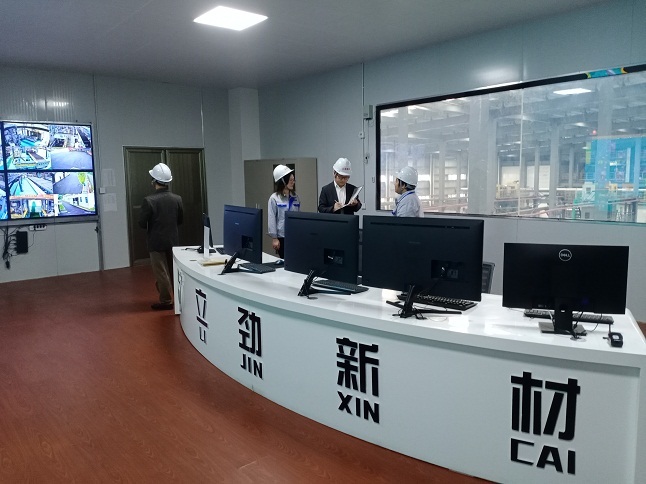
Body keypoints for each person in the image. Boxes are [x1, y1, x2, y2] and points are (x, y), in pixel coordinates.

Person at [138, 162, 183, 310]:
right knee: (174, 270)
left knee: (161, 272)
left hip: (156, 242)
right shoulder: (177, 199)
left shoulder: (149, 200)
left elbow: (142, 223)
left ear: (154, 181)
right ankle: (180, 299)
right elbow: (180, 220)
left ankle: (166, 301)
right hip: (173, 240)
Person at [267, 164, 300, 259]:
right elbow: (271, 218)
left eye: (293, 180)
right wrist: (274, 238)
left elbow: (299, 216)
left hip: (295, 236)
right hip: (282, 237)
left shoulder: (295, 197)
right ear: (282, 181)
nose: (293, 182)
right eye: (290, 180)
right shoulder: (274, 198)